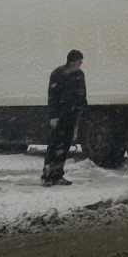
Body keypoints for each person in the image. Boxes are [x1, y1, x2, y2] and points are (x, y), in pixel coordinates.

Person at [41, 49, 87, 187]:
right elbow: (53, 96)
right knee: (55, 145)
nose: (81, 63)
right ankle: (47, 175)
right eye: (79, 61)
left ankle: (58, 174)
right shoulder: (58, 74)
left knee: (64, 146)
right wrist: (53, 116)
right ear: (73, 61)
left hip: (70, 116)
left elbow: (82, 95)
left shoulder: (78, 74)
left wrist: (82, 110)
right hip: (60, 116)